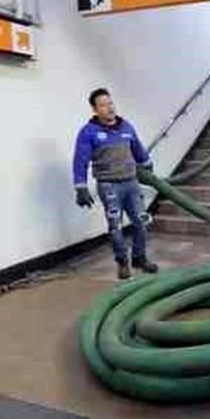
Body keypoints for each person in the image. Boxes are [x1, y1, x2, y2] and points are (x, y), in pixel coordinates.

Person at [73, 87, 158, 280]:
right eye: (103, 105)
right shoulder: (89, 132)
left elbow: (137, 147)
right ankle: (122, 262)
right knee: (116, 226)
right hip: (109, 185)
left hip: (131, 182)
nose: (109, 108)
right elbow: (80, 160)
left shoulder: (126, 126)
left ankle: (139, 257)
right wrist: (80, 186)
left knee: (141, 222)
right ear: (95, 110)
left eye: (110, 103)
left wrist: (147, 163)